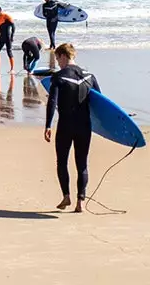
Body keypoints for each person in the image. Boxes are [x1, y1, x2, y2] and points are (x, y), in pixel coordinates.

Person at [44, 43, 101, 213]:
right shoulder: (90, 76)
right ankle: (80, 202)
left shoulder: (59, 76)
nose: (58, 63)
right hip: (84, 126)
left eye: (57, 59)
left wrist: (47, 125)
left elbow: (52, 101)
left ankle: (66, 196)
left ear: (62, 56)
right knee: (82, 164)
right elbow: (100, 103)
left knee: (62, 161)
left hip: (65, 125)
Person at [0, 6, 15, 72]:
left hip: (8, 37)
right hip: (1, 37)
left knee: (9, 52)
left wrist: (12, 36)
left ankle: (12, 69)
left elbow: (13, 26)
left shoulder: (6, 16)